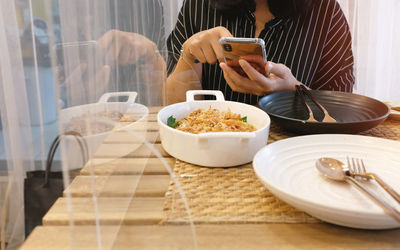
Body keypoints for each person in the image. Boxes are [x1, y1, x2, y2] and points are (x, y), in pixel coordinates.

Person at [166, 0, 354, 105]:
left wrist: (293, 91)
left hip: (289, 153)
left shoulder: (325, 12)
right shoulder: (198, 5)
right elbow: (173, 107)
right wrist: (189, 54)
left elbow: (341, 114)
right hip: (210, 148)